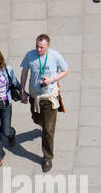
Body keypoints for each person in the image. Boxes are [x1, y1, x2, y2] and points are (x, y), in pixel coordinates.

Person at [20, 33, 69, 174]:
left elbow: (66, 70)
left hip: (49, 97)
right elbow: (24, 72)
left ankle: (47, 157)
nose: (38, 49)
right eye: (37, 46)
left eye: (41, 47)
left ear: (48, 47)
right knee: (37, 119)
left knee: (48, 130)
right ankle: (43, 123)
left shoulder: (55, 56)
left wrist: (52, 80)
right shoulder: (30, 55)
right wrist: (22, 90)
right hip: (34, 97)